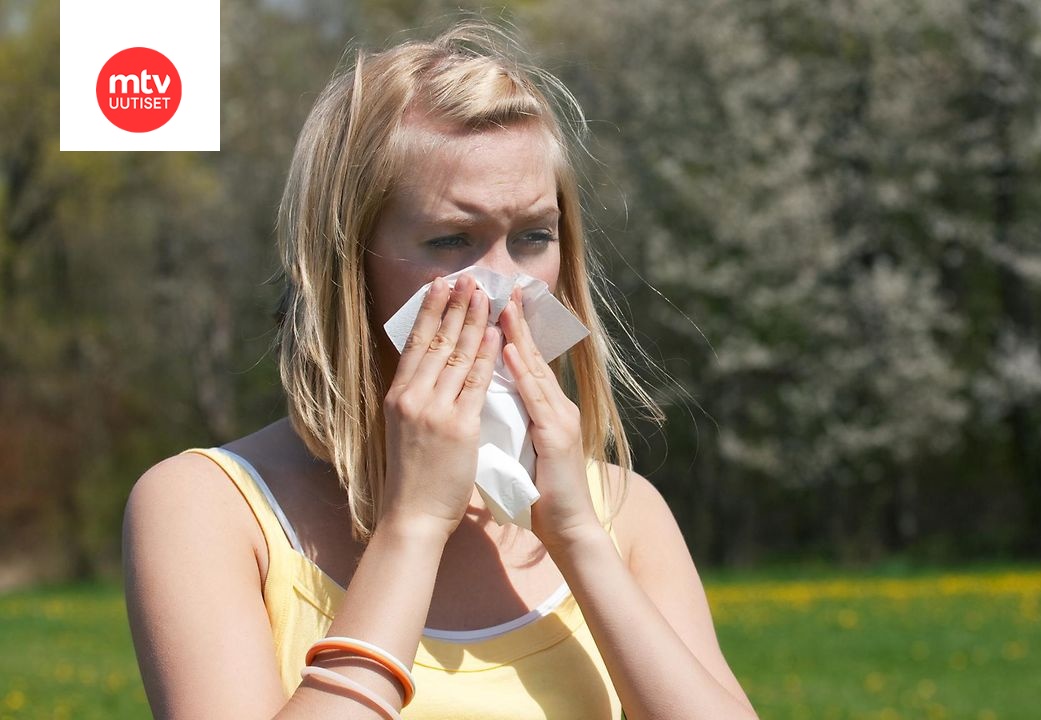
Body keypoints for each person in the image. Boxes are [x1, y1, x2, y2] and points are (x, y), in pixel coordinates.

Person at [122, 21, 758, 720]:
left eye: (533, 237)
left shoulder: (622, 512)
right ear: (348, 264)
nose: (504, 285)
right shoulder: (207, 508)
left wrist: (578, 539)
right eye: (452, 240)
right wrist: (414, 523)